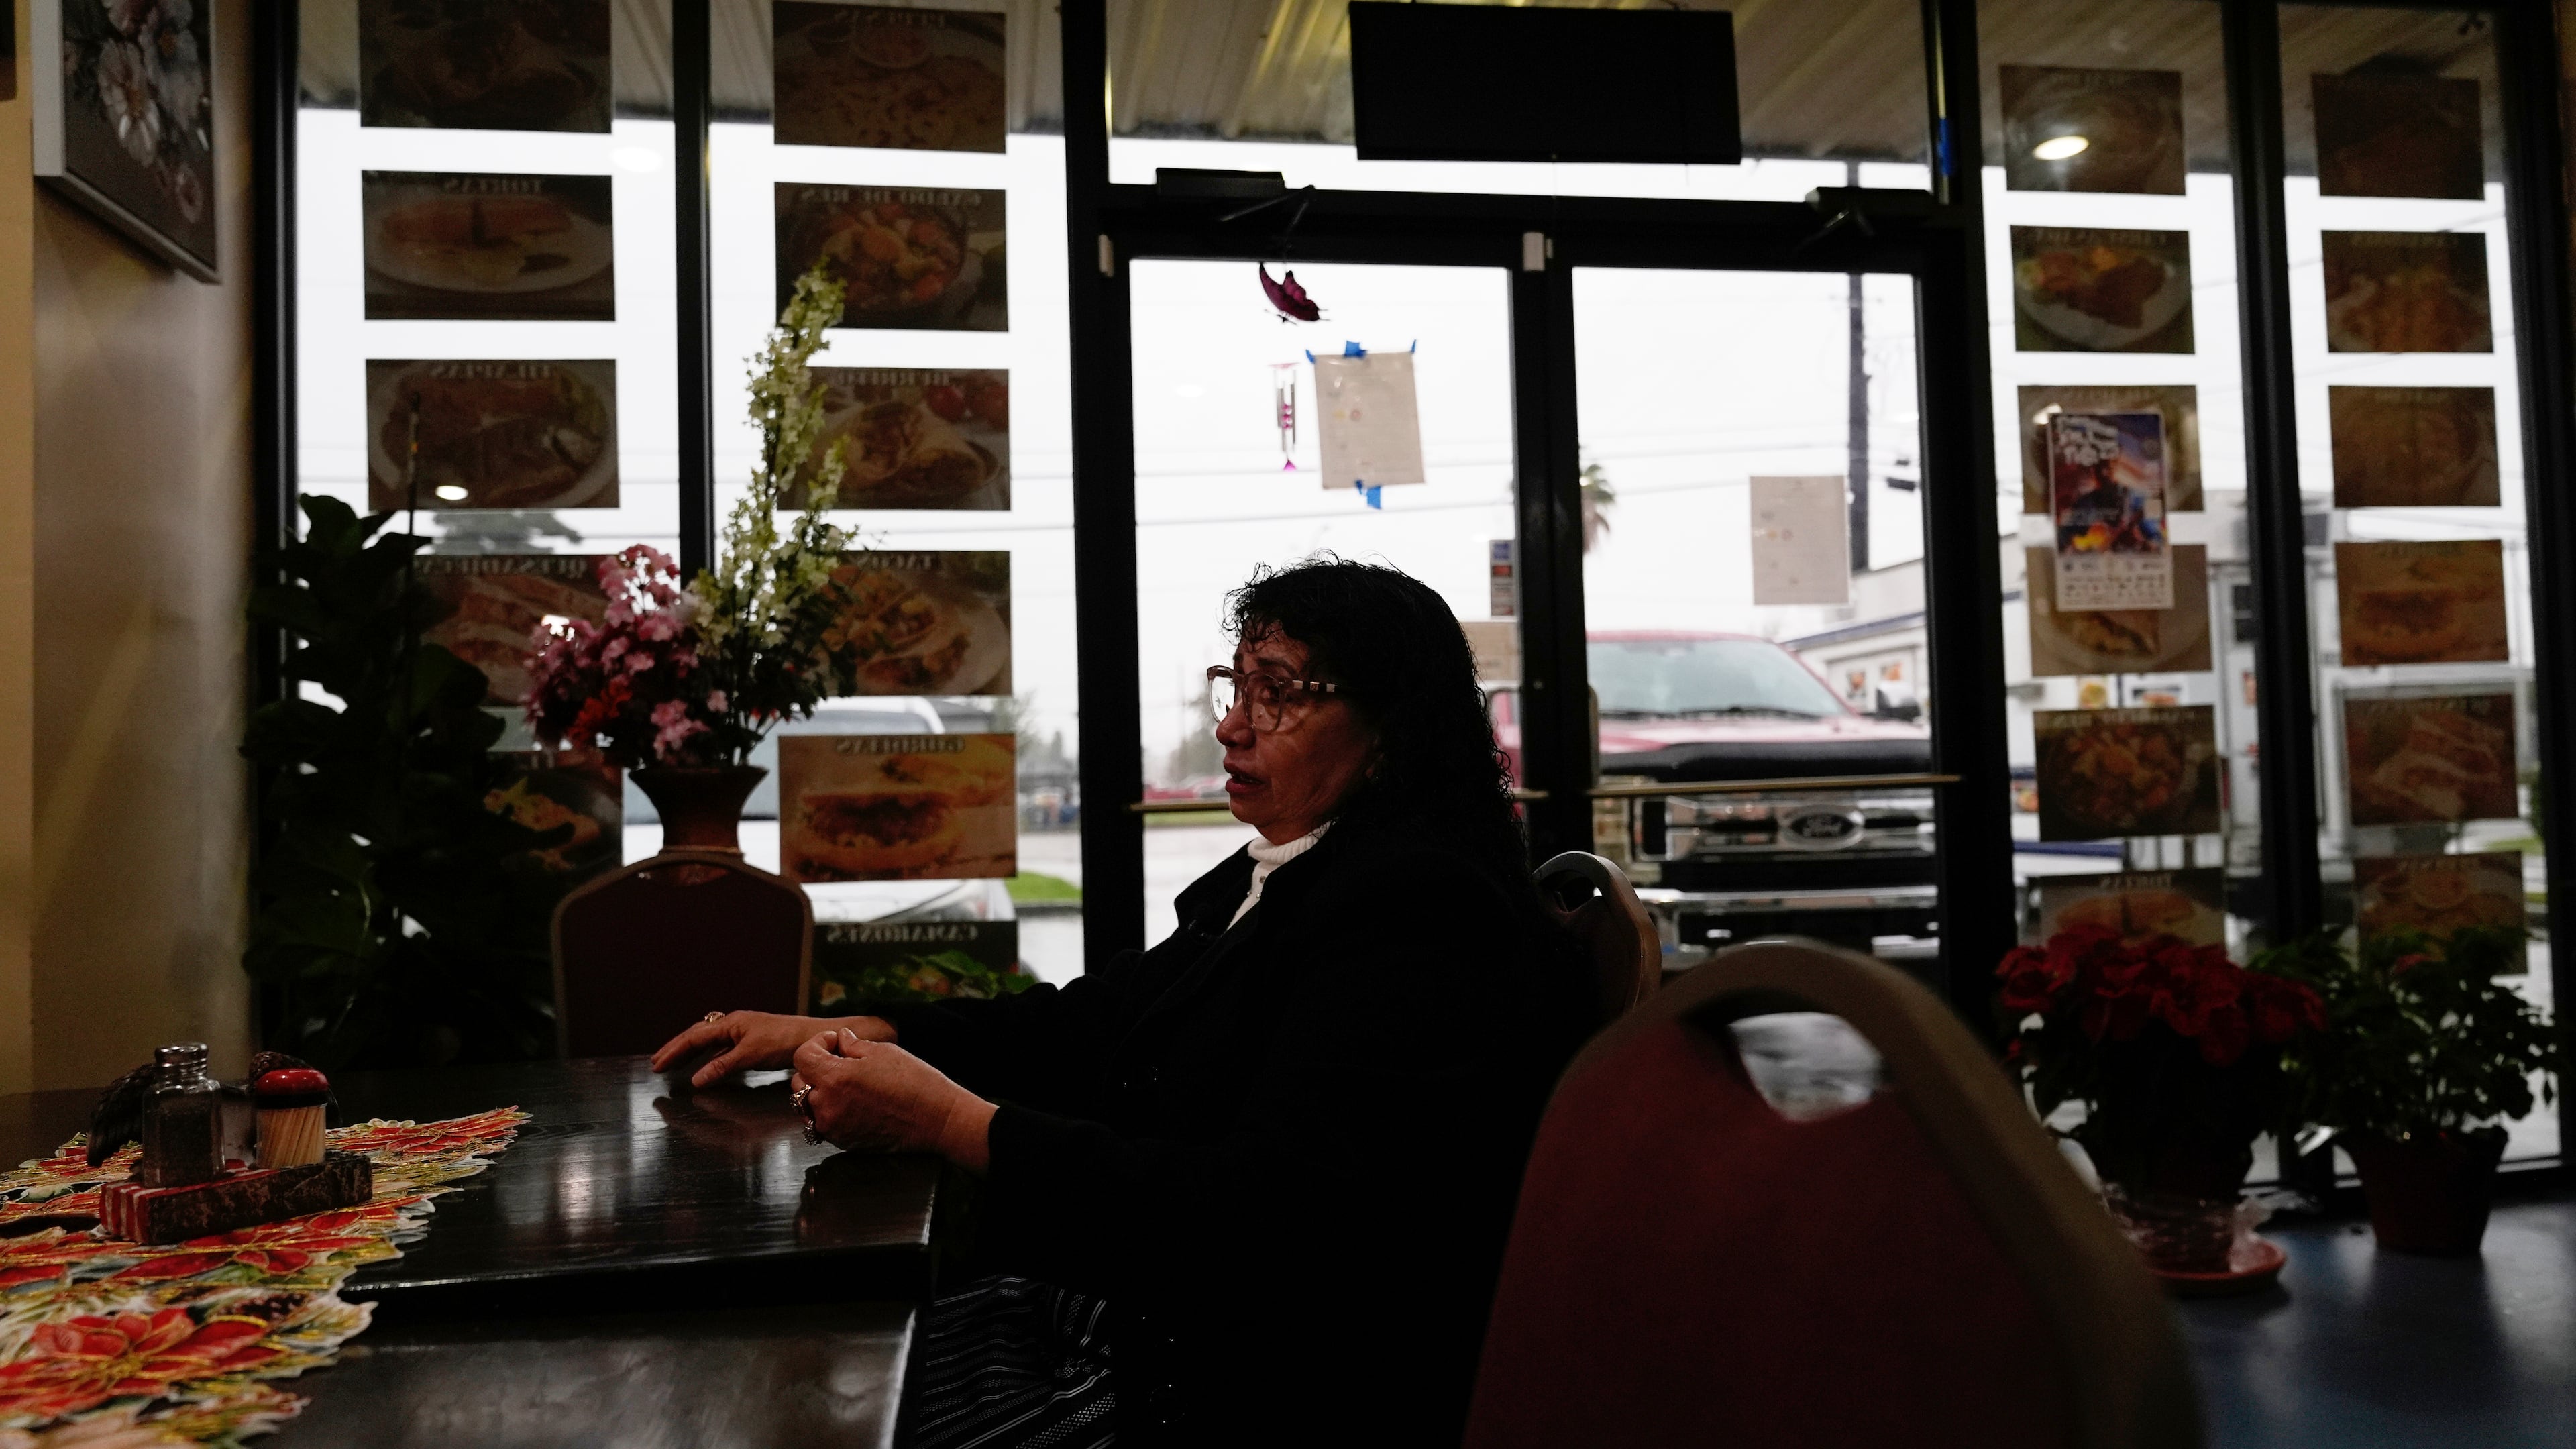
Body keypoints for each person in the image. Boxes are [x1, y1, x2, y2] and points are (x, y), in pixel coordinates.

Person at [654, 558, 1594, 1446]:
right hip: (1156, 1318)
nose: (1233, 724)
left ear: (1390, 730)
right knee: (787, 1374)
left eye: (1279, 692)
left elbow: (1257, 1224)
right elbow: (1093, 1021)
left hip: (1255, 1388)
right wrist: (856, 1026)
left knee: (803, 1408)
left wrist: (949, 1121)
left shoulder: (1419, 912)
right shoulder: (1290, 871)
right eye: (1236, 685)